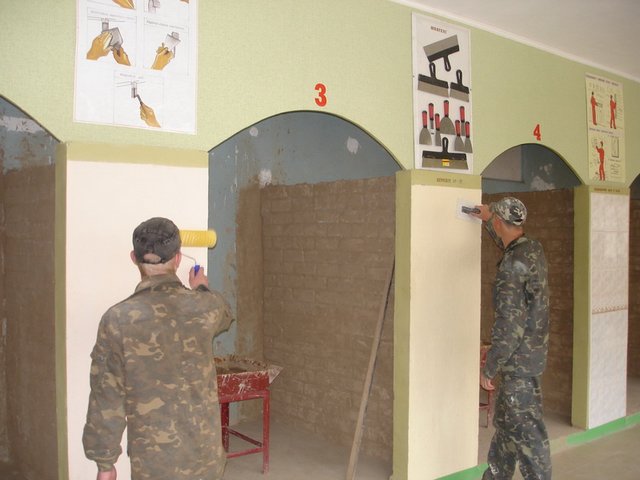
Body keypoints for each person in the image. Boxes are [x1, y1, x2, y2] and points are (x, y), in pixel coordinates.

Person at [83, 217, 233, 480]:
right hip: (206, 458)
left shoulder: (117, 319)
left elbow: (106, 397)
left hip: (154, 465)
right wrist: (201, 287)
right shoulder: (205, 307)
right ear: (178, 258)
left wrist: (105, 463)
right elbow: (225, 314)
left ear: (134, 258)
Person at [472, 198, 551, 480]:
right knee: (506, 425)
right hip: (530, 356)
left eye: (494, 219)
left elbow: (510, 324)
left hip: (518, 364)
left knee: (529, 435)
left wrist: (489, 367)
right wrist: (488, 219)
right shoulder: (532, 249)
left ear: (499, 222)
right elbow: (508, 242)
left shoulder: (512, 266)